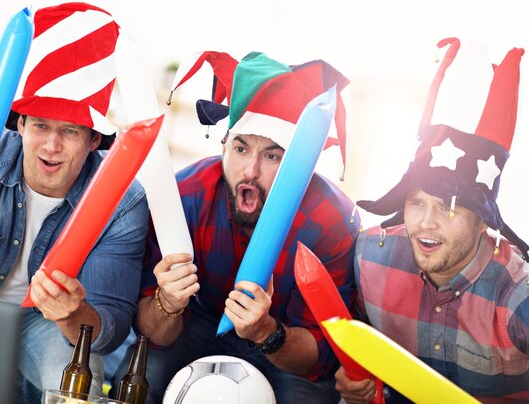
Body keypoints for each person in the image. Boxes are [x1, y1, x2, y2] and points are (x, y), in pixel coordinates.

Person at [0, 2, 148, 403]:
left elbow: (111, 327)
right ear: (19, 124)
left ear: (93, 140)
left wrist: (74, 315)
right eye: (40, 125)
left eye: (70, 130)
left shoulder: (123, 201)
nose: (51, 146)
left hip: (47, 324)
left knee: (78, 383)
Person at [113, 51, 361, 404]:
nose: (250, 172)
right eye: (241, 149)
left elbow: (320, 355)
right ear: (224, 144)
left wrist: (265, 332)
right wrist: (167, 303)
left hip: (282, 342)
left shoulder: (332, 222)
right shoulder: (186, 196)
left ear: (299, 164)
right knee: (140, 377)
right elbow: (152, 331)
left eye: (272, 156)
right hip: (200, 322)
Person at [335, 38, 529, 403]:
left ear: (482, 220)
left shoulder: (518, 296)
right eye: (416, 203)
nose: (426, 222)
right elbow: (352, 361)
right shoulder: (368, 257)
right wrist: (357, 384)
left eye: (448, 207)